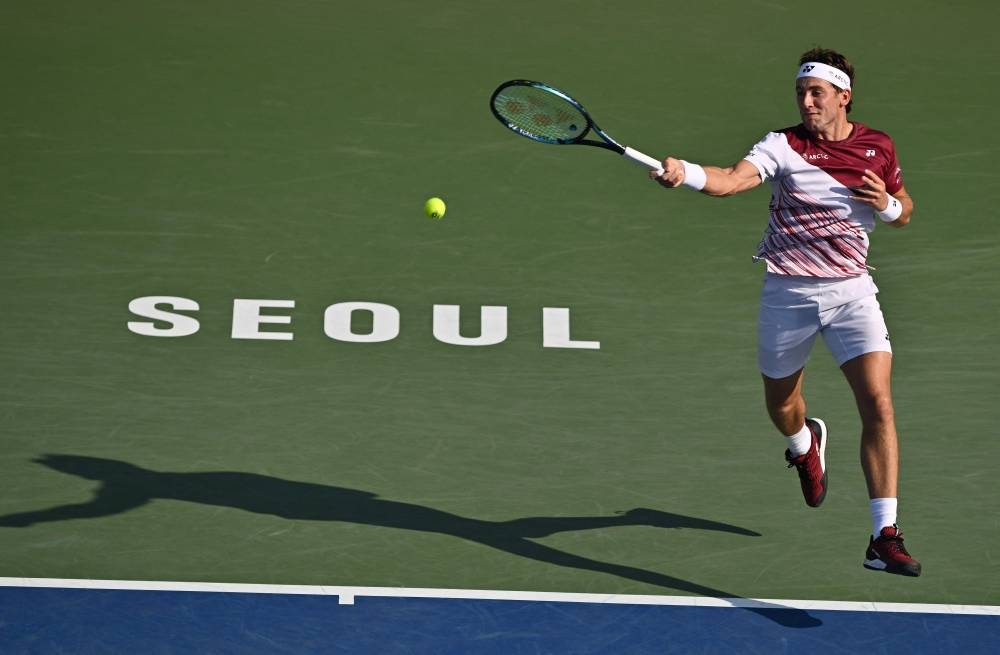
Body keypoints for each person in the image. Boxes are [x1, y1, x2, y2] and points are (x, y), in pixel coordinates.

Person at [652, 47, 920, 576]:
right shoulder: (783, 145)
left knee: (879, 406)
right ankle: (805, 444)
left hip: (852, 294)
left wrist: (888, 206)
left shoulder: (876, 148)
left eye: (817, 92)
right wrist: (686, 173)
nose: (807, 101)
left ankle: (883, 535)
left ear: (844, 96)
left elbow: (903, 208)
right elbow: (731, 178)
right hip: (788, 293)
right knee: (781, 406)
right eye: (801, 92)